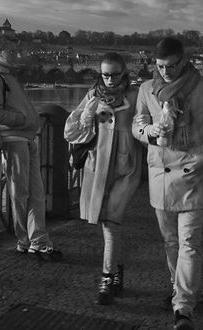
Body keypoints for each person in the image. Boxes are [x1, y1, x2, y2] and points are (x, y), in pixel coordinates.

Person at [133, 37, 203, 330]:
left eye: (172, 66)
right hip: (162, 174)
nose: (166, 72)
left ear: (184, 61)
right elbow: (137, 123)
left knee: (189, 242)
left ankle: (184, 307)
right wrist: (150, 130)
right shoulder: (146, 89)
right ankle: (178, 291)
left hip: (194, 172)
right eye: (160, 66)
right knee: (170, 241)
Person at [64, 52, 142, 305]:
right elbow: (71, 131)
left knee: (111, 221)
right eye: (105, 74)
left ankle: (107, 278)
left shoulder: (135, 95)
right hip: (98, 166)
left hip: (125, 167)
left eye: (114, 74)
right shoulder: (92, 95)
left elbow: (145, 126)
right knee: (106, 222)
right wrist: (86, 117)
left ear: (124, 72)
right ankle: (117, 271)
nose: (109, 79)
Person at [0, 35, 63, 261]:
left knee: (36, 193)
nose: (17, 54)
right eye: (12, 50)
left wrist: (28, 122)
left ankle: (38, 241)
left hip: (27, 137)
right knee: (21, 193)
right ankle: (24, 240)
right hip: (13, 138)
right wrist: (23, 119)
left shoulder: (8, 74)